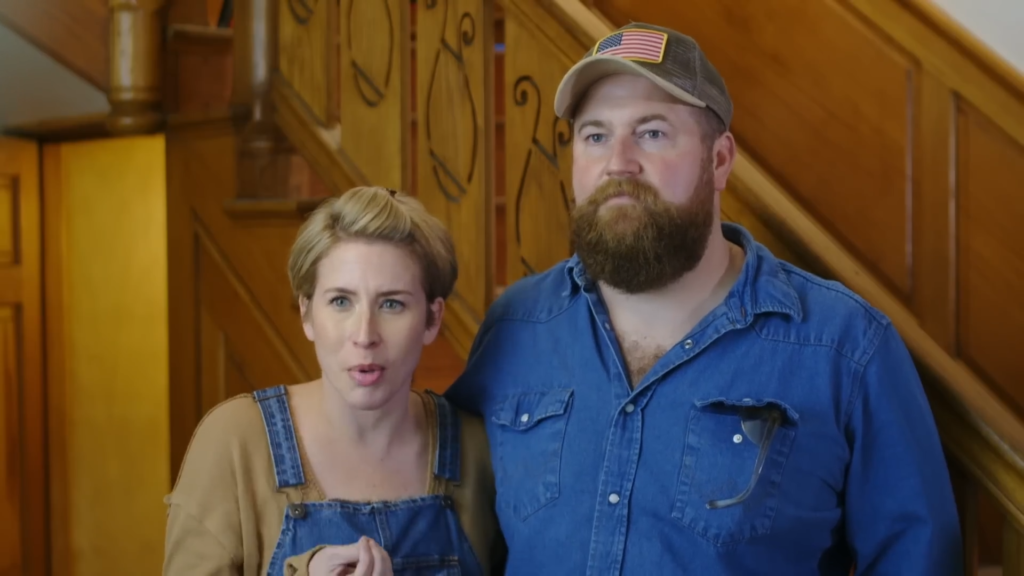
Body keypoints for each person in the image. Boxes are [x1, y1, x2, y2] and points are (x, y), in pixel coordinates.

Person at [444, 22, 963, 575]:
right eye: (595, 136)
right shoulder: (517, 324)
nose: (618, 162)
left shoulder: (844, 348)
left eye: (652, 133)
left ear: (719, 161)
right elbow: (440, 498)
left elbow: (918, 557)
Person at [163, 186, 504, 575]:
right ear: (307, 314)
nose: (364, 334)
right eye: (341, 301)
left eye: (392, 304)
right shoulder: (234, 440)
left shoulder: (478, 449)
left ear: (432, 319)